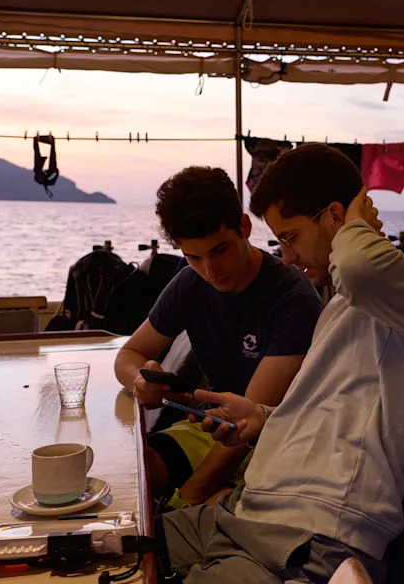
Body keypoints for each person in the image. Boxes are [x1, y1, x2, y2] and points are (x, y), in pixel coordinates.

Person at [157, 144, 404, 583]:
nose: (287, 257)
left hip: (311, 532)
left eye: (290, 237)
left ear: (335, 216)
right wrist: (261, 417)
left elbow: (358, 266)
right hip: (250, 509)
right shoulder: (341, 306)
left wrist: (355, 222)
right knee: (120, 541)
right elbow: (333, 408)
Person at [114, 166, 322, 508]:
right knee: (131, 477)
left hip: (277, 444)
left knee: (197, 507)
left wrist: (185, 501)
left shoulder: (292, 298)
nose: (210, 270)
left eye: (219, 250)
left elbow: (246, 424)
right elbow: (129, 353)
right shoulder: (188, 284)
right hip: (210, 431)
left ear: (245, 227)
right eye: (193, 257)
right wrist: (140, 381)